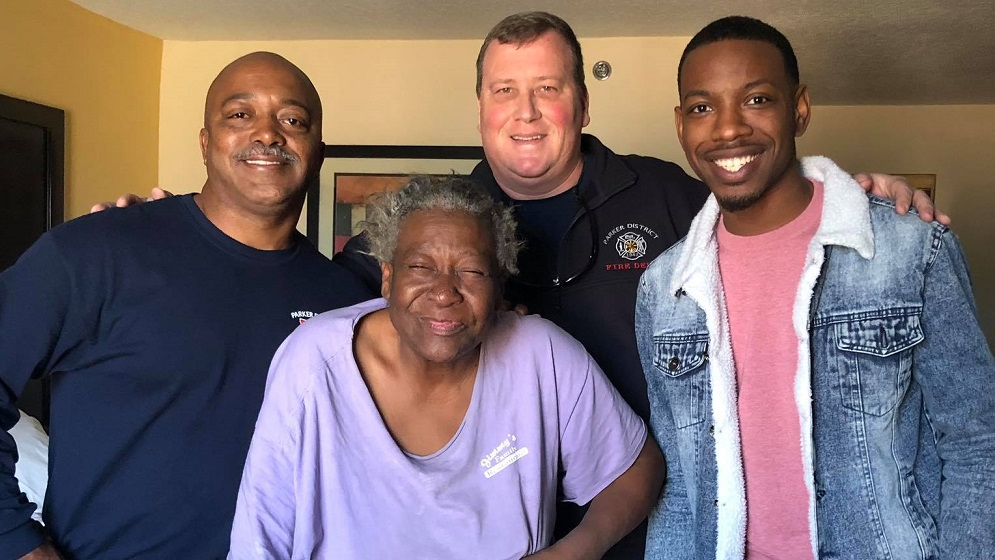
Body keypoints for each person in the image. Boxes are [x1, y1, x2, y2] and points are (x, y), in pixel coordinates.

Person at [328, 12, 946, 559]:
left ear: (583, 103)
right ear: (482, 108)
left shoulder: (666, 194)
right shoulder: (436, 226)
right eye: (504, 91)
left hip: (660, 521)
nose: (526, 112)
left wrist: (853, 196)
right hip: (496, 528)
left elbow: (768, 208)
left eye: (548, 88)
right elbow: (337, 313)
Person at [636, 16, 995, 559]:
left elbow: (977, 443)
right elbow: (683, 485)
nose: (728, 129)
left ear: (799, 108)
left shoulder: (909, 250)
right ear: (681, 125)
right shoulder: (664, 290)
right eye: (702, 107)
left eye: (756, 100)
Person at [0, 52, 373, 559]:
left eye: (292, 120)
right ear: (205, 142)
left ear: (318, 150)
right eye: (240, 115)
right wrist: (18, 542)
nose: (268, 134)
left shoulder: (344, 301)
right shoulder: (93, 253)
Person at [227, 175, 663, 559]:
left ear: (499, 285)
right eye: (420, 267)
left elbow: (637, 469)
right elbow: (259, 537)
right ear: (387, 277)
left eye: (472, 271)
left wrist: (575, 552)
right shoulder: (312, 363)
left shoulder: (541, 356)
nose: (444, 293)